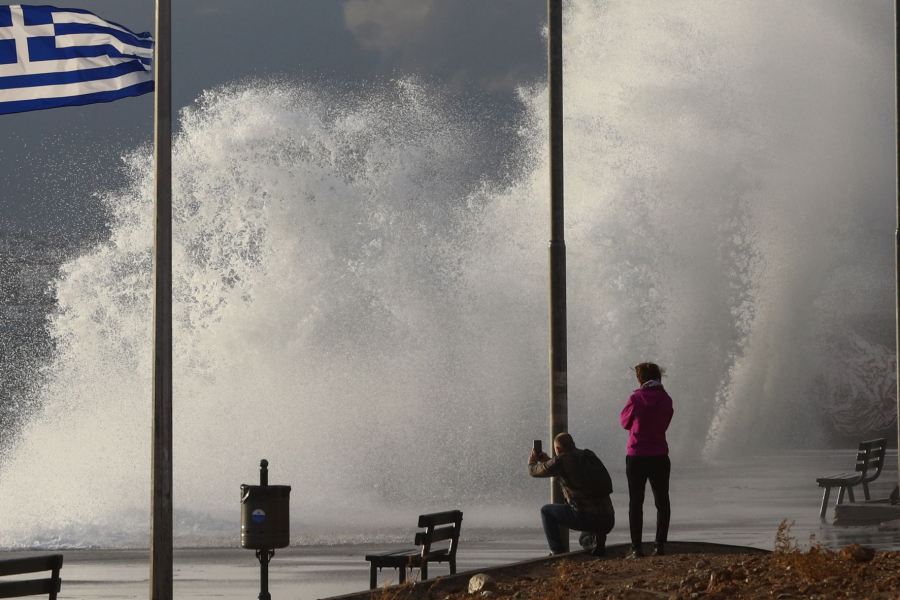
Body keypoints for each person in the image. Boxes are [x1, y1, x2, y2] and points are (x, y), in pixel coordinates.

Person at [527, 432, 615, 556]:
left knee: (546, 511)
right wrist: (548, 461)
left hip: (585, 517)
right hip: (608, 518)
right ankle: (595, 540)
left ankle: (557, 551)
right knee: (584, 539)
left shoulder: (560, 461)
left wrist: (532, 462)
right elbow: (569, 470)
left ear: (557, 449)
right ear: (573, 444)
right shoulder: (588, 455)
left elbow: (534, 472)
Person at [620, 362, 674, 558]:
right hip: (659, 454)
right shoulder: (666, 399)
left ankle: (637, 548)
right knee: (662, 501)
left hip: (637, 455)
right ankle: (660, 545)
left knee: (636, 503)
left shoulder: (635, 398)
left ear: (640, 379)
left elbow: (625, 423)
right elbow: (665, 422)